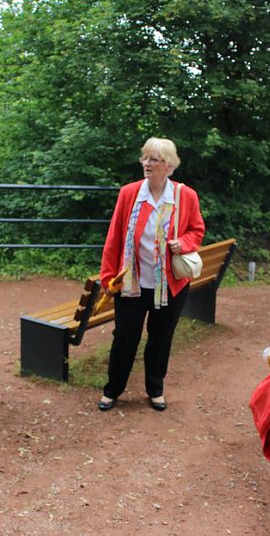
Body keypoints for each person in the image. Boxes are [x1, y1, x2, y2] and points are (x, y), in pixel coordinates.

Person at [97, 137, 205, 412]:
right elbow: (114, 240)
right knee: (124, 338)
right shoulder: (129, 193)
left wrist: (184, 243)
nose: (146, 164)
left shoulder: (185, 196)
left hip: (170, 285)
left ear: (168, 166)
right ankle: (113, 390)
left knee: (160, 338)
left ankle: (155, 389)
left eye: (153, 159)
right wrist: (108, 278)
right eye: (145, 158)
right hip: (132, 283)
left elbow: (197, 230)